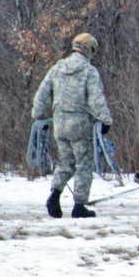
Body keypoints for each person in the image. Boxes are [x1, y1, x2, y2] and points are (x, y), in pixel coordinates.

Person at [32, 32, 113, 218]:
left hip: (59, 123)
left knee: (65, 161)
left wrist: (38, 115)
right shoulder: (89, 71)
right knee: (84, 163)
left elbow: (42, 94)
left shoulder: (57, 68)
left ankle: (55, 194)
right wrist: (106, 120)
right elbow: (96, 99)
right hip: (80, 124)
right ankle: (79, 205)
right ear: (89, 49)